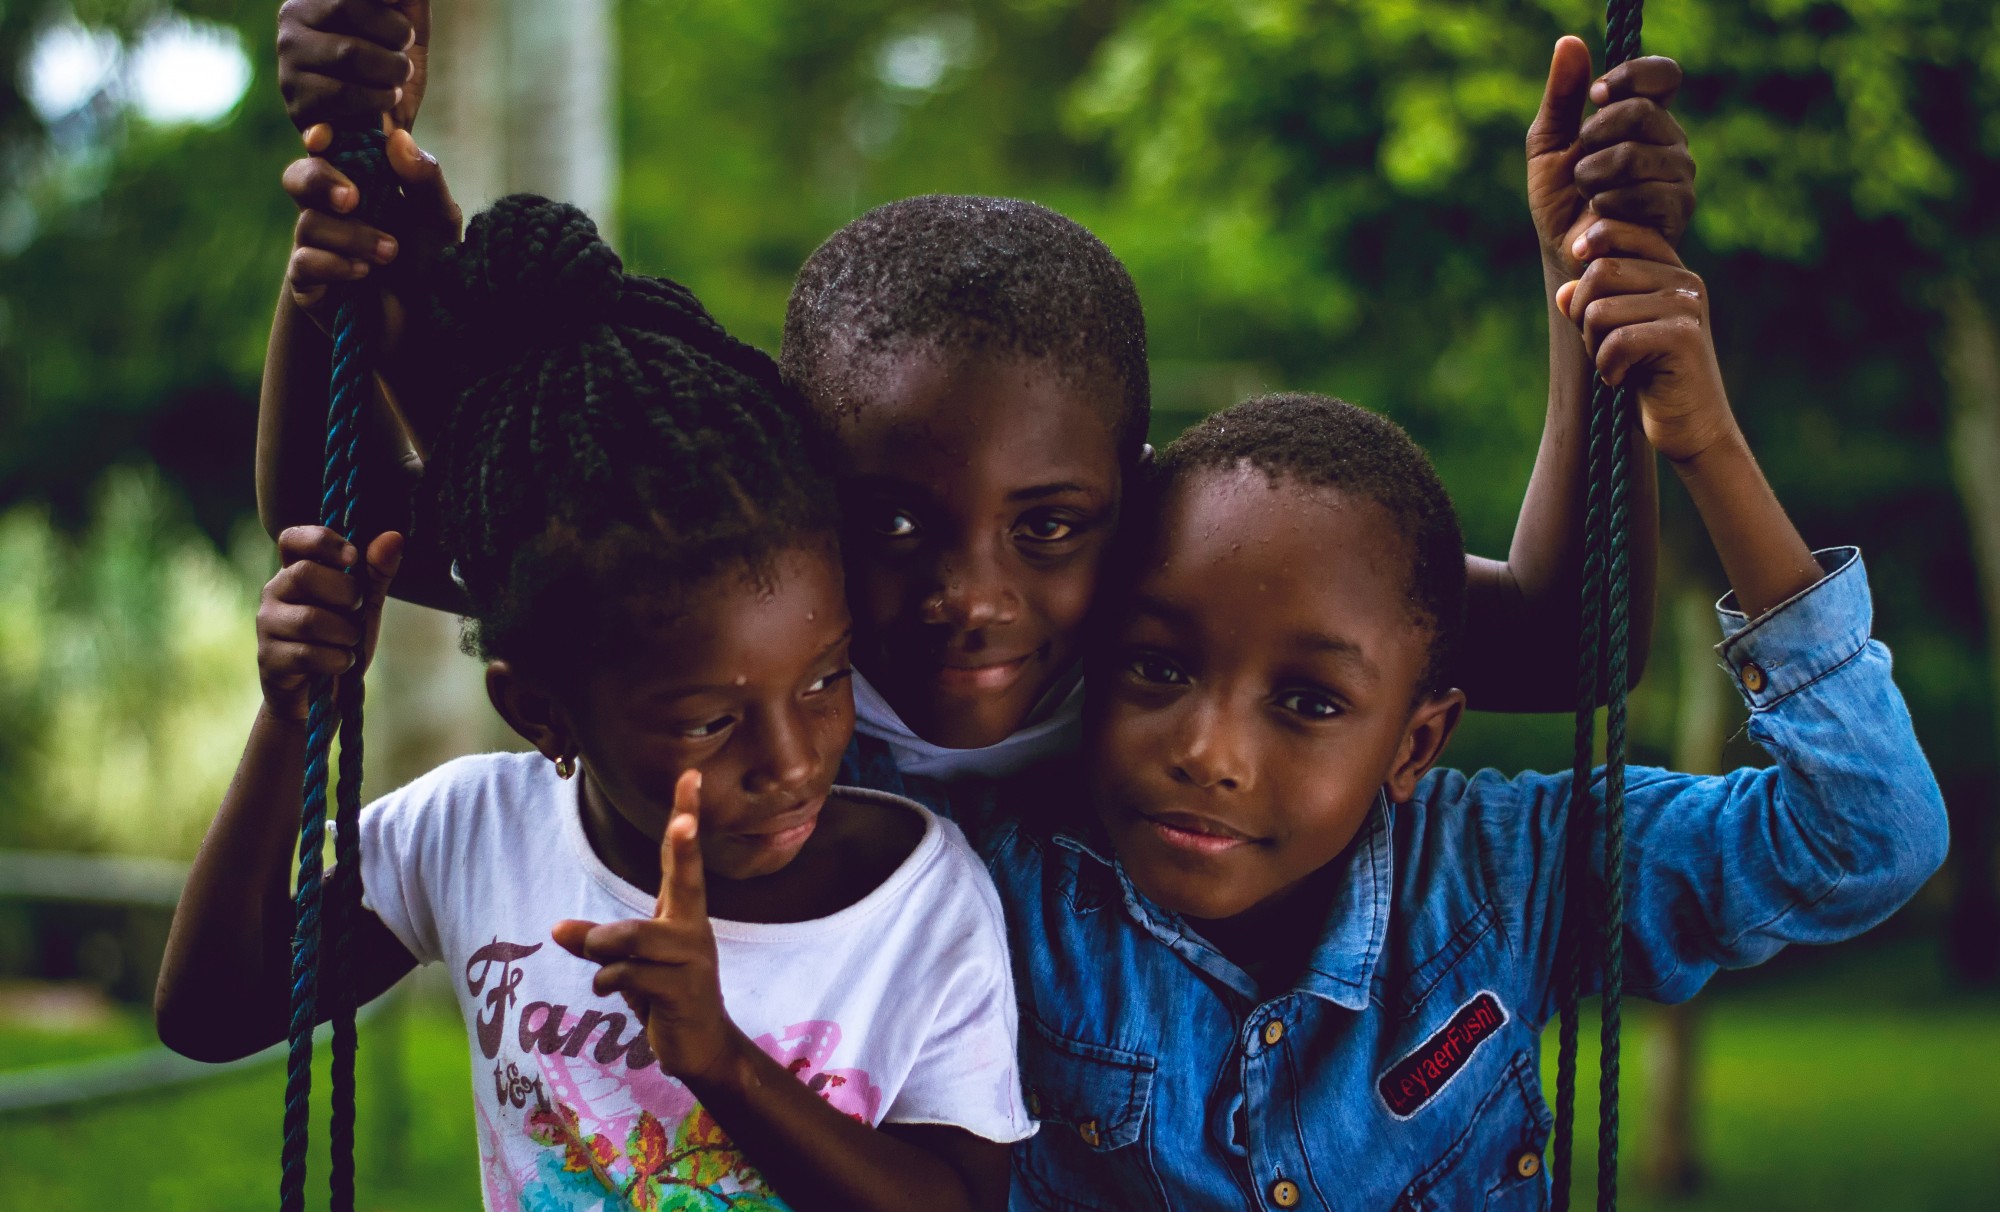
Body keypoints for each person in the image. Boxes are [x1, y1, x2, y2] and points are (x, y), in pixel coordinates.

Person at [255, 12, 1694, 786]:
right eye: (889, 523)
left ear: (1132, 488)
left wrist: (1591, 303)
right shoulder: (737, 593)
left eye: (1053, 527)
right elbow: (353, 523)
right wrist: (346, 236)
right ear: (808, 486)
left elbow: (1574, 643)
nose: (973, 595)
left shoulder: (1183, 587)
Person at [950, 232, 1949, 1212]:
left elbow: (1862, 834)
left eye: (1308, 702)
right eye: (1156, 667)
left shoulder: (1507, 876)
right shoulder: (998, 890)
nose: (1209, 751)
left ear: (1414, 745)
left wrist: (1702, 442)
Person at [155, 197, 1031, 1212]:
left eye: (824, 677)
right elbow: (215, 1008)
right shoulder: (478, 841)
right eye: (709, 722)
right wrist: (293, 722)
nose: (791, 756)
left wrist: (719, 1059)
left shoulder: (920, 898)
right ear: (537, 710)